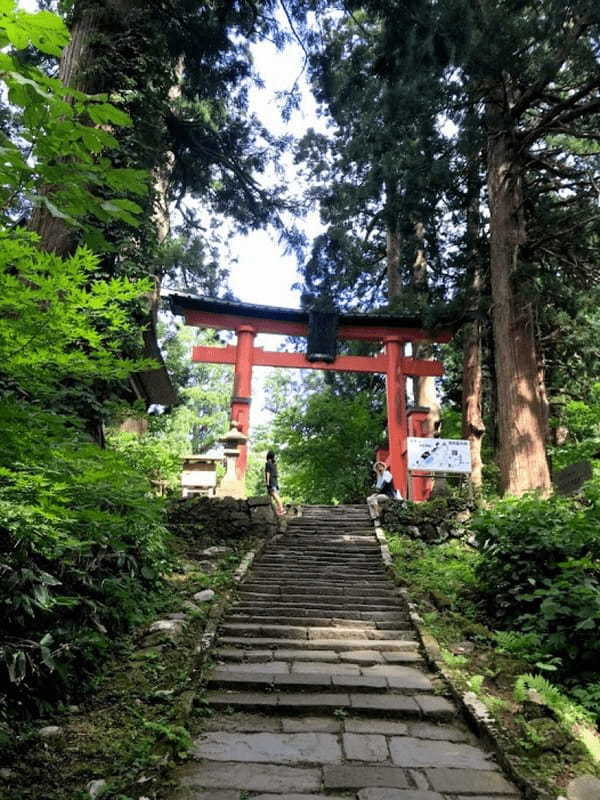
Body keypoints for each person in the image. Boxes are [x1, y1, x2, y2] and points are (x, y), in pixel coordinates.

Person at [265, 450, 285, 516]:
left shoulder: (268, 463)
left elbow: (268, 473)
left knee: (275, 496)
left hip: (271, 482)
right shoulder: (274, 464)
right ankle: (276, 511)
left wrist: (267, 483)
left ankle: (281, 510)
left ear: (268, 456)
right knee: (271, 497)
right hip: (275, 482)